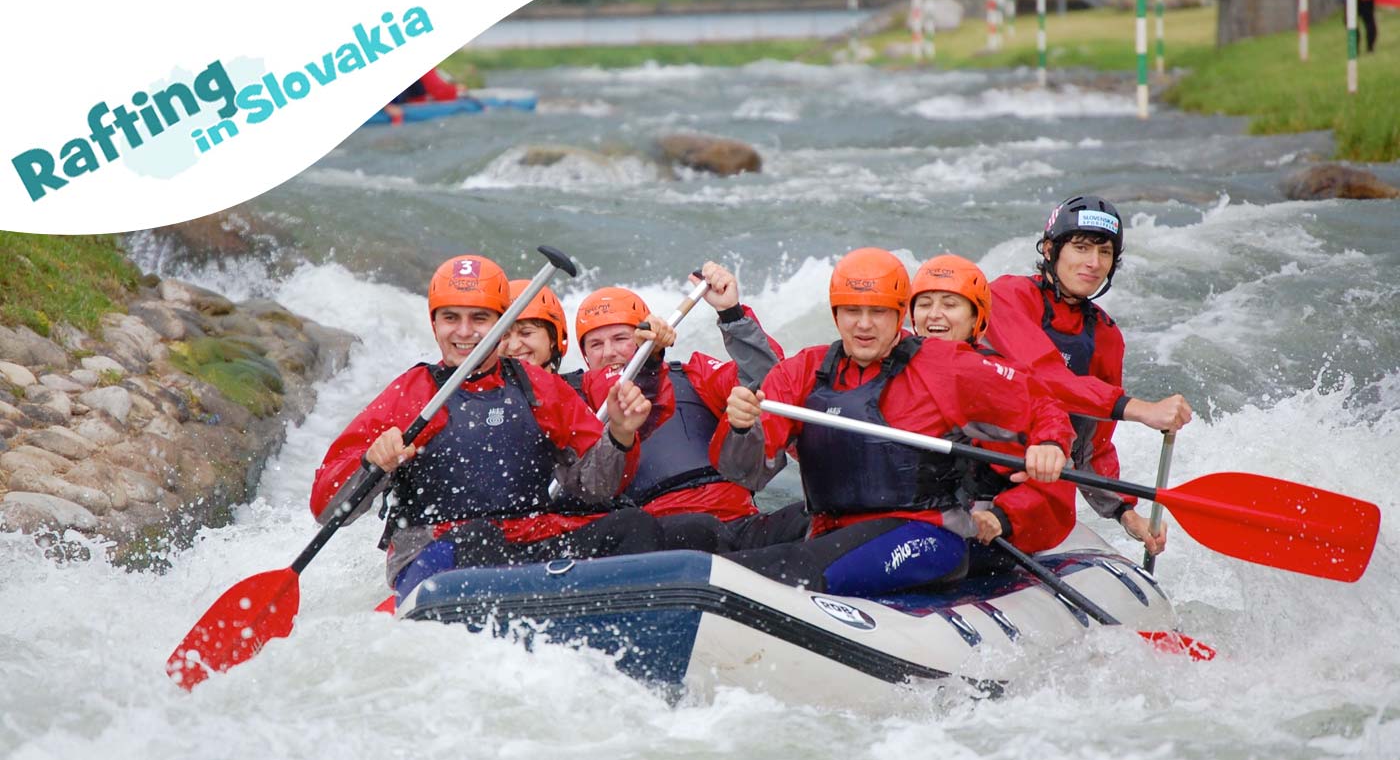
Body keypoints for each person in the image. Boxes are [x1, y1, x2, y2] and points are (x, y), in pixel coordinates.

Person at [715, 248, 1074, 596]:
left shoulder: (947, 365)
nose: (864, 324)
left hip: (926, 535)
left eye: (879, 311)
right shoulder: (801, 371)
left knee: (789, 568)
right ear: (836, 314)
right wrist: (742, 428)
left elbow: (1040, 402)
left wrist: (1050, 443)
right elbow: (746, 474)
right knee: (705, 535)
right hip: (834, 529)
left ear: (901, 313)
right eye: (852, 311)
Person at [309, 255, 659, 600]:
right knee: (480, 537)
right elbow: (326, 509)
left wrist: (620, 435)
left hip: (529, 544)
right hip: (434, 554)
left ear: (503, 327)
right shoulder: (409, 394)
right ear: (434, 325)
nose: (464, 332)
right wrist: (373, 463)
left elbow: (596, 488)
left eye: (479, 318)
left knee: (632, 525)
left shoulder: (538, 388)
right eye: (450, 318)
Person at [984, 195, 1192, 556]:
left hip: (1040, 476)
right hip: (977, 457)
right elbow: (1041, 375)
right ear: (1050, 250)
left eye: (1105, 252)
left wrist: (1126, 512)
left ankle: (1006, 525)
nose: (1093, 263)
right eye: (1080, 248)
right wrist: (1139, 409)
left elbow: (1092, 444)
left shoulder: (1106, 338)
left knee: (1059, 465)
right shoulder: (1007, 295)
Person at [570, 265, 809, 551]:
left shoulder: (693, 374)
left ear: (647, 334)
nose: (609, 352)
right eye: (596, 344)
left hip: (740, 518)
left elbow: (771, 381)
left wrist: (732, 313)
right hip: (662, 530)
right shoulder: (576, 398)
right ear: (584, 356)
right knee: (698, 529)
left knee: (814, 517)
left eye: (621, 339)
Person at [908, 254, 1077, 560]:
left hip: (975, 531)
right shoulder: (895, 364)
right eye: (924, 304)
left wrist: (1003, 517)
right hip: (904, 515)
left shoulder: (993, 379)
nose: (934, 315)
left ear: (977, 319)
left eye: (949, 304)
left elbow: (1052, 438)